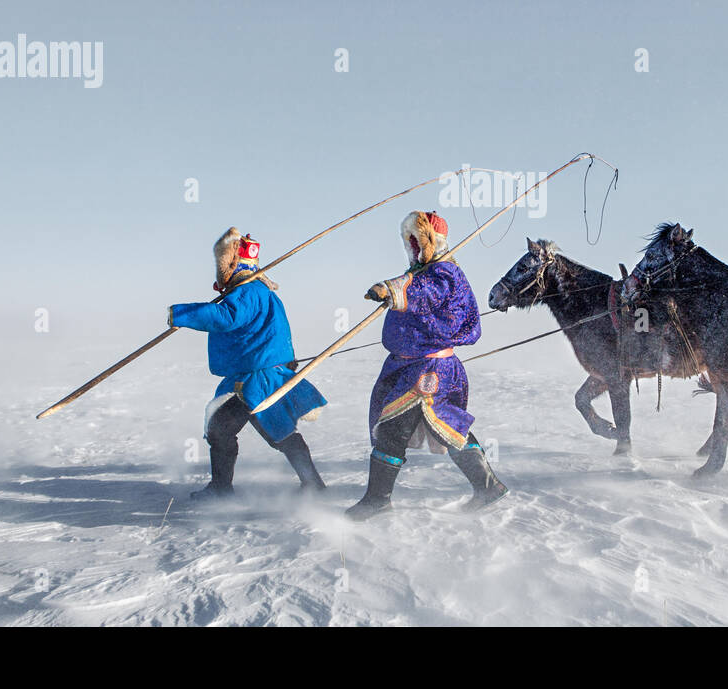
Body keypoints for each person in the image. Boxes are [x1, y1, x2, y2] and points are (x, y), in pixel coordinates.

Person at [346, 211, 507, 520]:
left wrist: (393, 291)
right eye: (408, 241)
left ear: (430, 242)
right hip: (410, 366)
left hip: (429, 369)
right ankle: (488, 486)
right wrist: (398, 287)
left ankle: (377, 500)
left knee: (396, 427)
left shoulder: (444, 273)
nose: (412, 247)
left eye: (417, 240)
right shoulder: (422, 273)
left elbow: (426, 295)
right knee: (444, 424)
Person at [169, 227, 328, 501]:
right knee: (260, 431)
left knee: (265, 432)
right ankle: (310, 484)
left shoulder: (248, 292)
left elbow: (226, 316)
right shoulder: (257, 291)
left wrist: (181, 314)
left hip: (257, 380)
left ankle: (225, 489)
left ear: (231, 263)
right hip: (252, 376)